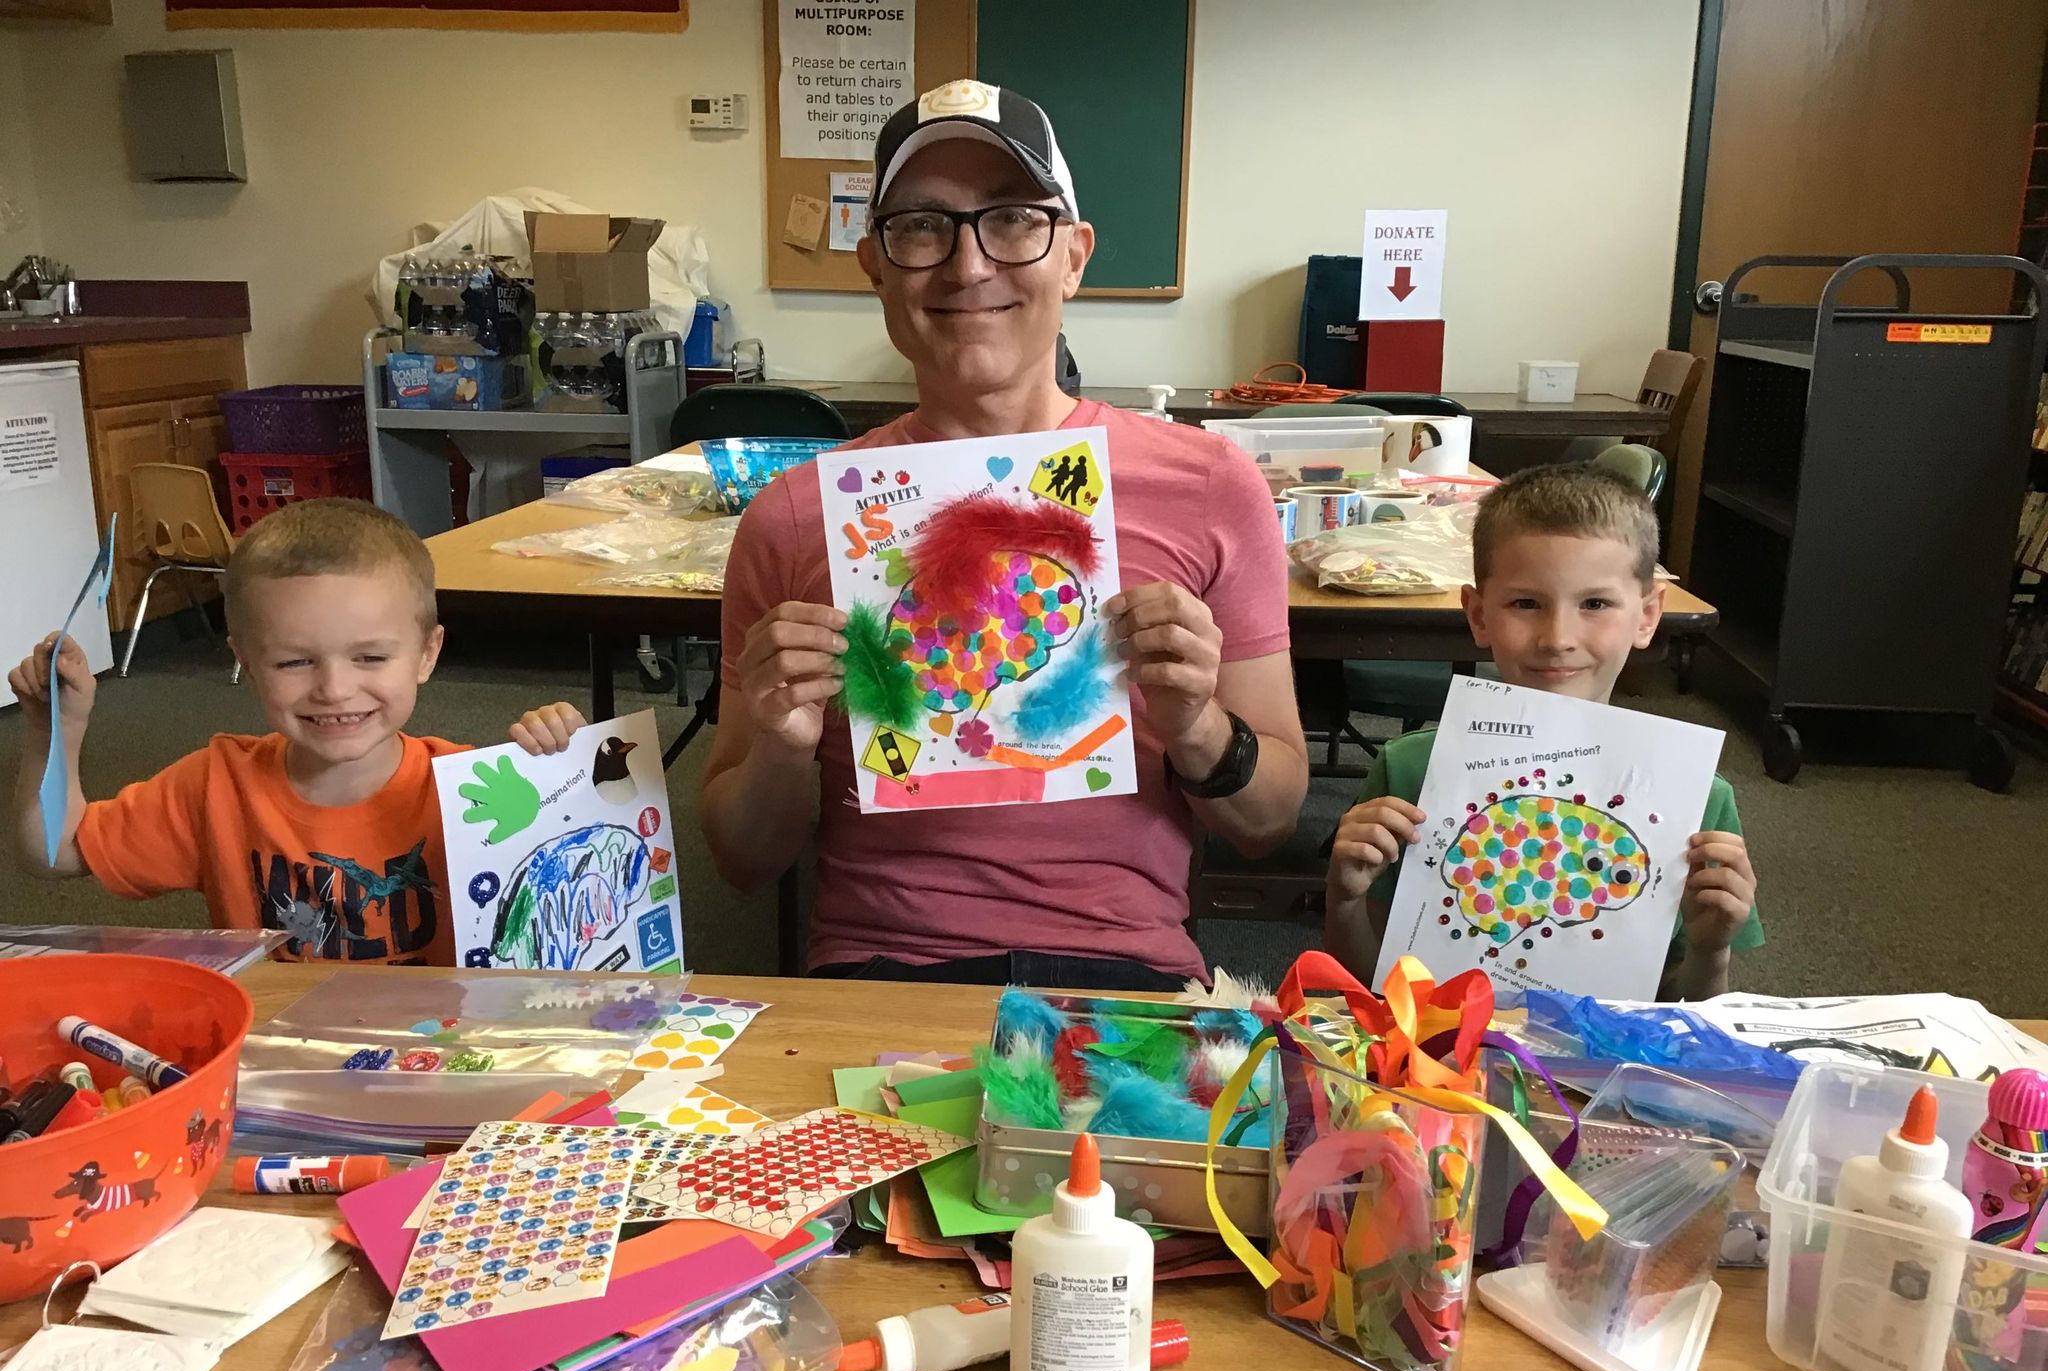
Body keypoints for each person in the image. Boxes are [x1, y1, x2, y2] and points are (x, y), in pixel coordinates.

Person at [702, 80, 1308, 989]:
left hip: (1127, 968)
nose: (968, 264)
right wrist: (784, 750)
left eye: (1015, 220)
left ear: (1074, 255)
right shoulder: (795, 514)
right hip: (882, 965)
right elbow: (745, 862)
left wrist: (1197, 727)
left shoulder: (1210, 485)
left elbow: (1268, 822)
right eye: (921, 226)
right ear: (873, 263)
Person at [9, 497, 588, 965]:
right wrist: (53, 730)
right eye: (294, 662)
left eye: (370, 658)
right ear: (247, 662)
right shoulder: (216, 786)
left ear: (425, 654)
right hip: (282, 1064)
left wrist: (566, 766)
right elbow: (54, 852)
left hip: (444, 1060)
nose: (334, 689)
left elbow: (581, 888)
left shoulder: (472, 790)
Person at [1325, 464, 1762, 999]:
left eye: (1595, 604)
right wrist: (1342, 899)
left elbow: (1689, 1014)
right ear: (1478, 614)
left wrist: (1711, 947)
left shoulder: (1696, 799)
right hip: (1437, 1065)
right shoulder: (1410, 769)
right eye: (1525, 603)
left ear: (1646, 616)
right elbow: (1364, 984)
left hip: (1596, 1074)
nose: (1557, 638)